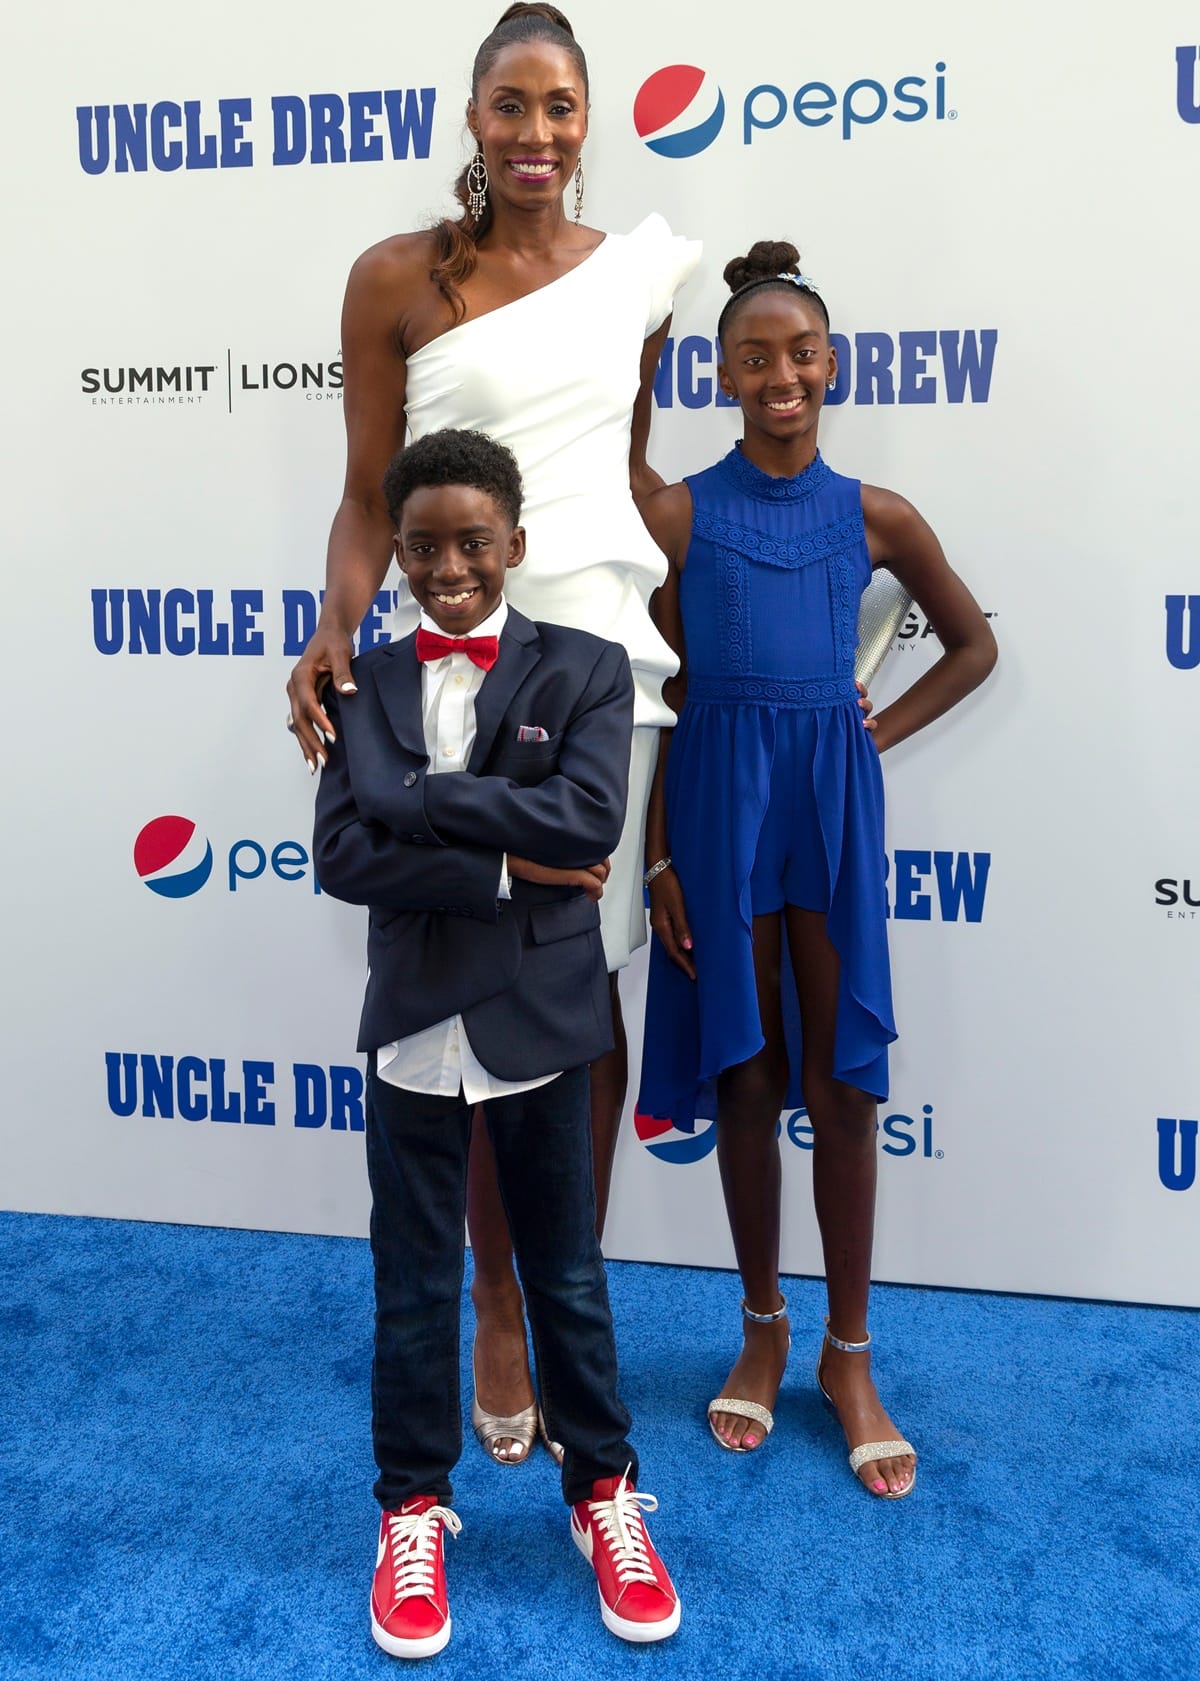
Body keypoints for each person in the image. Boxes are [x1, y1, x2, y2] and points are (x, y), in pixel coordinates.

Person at [287, 1, 700, 1466]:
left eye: (562, 107)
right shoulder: (395, 278)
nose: (538, 134)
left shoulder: (637, 280)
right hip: (448, 669)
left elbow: (634, 478)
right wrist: (339, 623)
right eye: (511, 105)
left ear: (593, 120)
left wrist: (731, 599)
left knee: (578, 1009)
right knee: (462, 981)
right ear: (474, 119)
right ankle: (492, 1308)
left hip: (604, 675)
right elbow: (360, 493)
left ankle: (545, 1284)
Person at [637, 241, 998, 1498]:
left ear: (832, 364)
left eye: (801, 353)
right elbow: (659, 696)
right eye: (754, 355)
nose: (780, 373)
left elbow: (971, 646)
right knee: (746, 1072)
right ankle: (761, 1326)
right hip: (717, 800)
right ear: (722, 373)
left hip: (830, 803)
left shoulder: (875, 514)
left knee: (841, 1081)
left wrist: (873, 734)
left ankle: (849, 1354)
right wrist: (662, 855)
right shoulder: (678, 510)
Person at [313, 429, 680, 1656]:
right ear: (400, 556)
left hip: (541, 1015)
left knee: (565, 1271)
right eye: (423, 546)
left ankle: (603, 1493)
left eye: (474, 541)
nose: (450, 565)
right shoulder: (360, 680)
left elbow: (587, 815)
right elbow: (342, 854)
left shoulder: (582, 664)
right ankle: (412, 1506)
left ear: (515, 544)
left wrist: (414, 804)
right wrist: (507, 856)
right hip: (417, 1021)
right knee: (413, 1283)